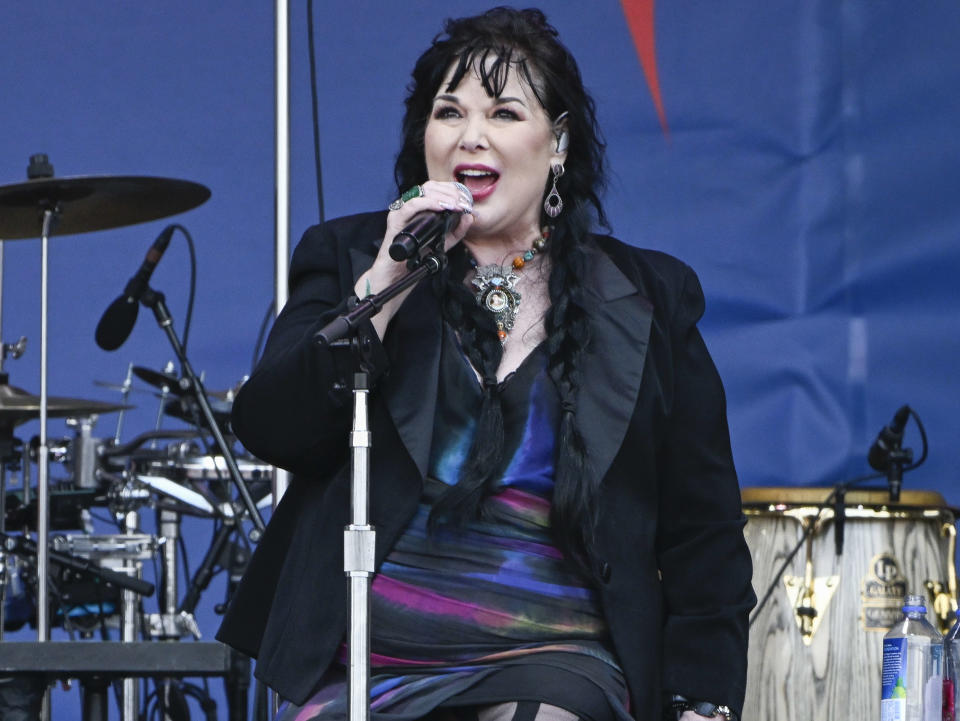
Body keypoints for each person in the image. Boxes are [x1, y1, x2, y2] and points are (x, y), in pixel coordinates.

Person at [217, 7, 755, 721]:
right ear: (426, 141)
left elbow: (704, 529)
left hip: (552, 658)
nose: (472, 134)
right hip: (368, 663)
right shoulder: (352, 258)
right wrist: (385, 280)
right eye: (449, 113)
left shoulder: (647, 298)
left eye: (504, 112)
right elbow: (273, 426)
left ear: (557, 142)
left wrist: (703, 701)